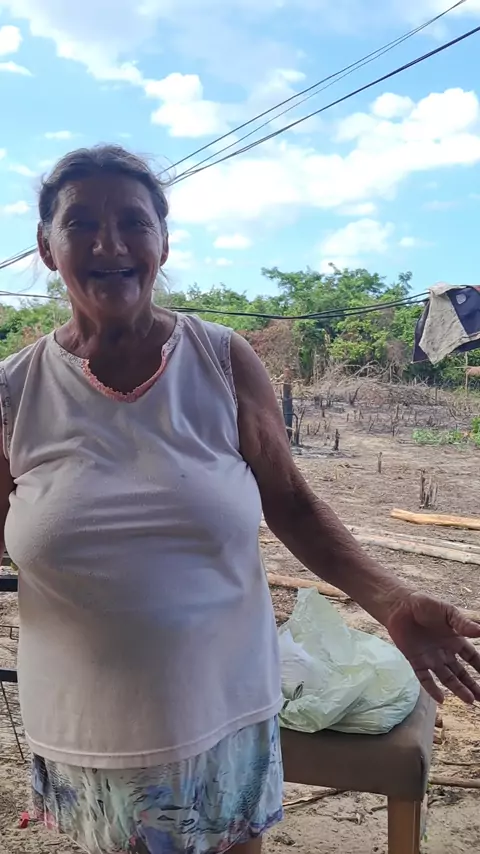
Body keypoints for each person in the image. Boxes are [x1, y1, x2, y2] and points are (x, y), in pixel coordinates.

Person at [0, 144, 479, 854]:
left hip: (221, 712)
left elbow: (291, 503)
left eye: (133, 222)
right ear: (46, 247)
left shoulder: (220, 358)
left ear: (163, 242)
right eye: (81, 224)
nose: (110, 243)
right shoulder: (14, 391)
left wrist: (391, 600)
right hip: (83, 723)